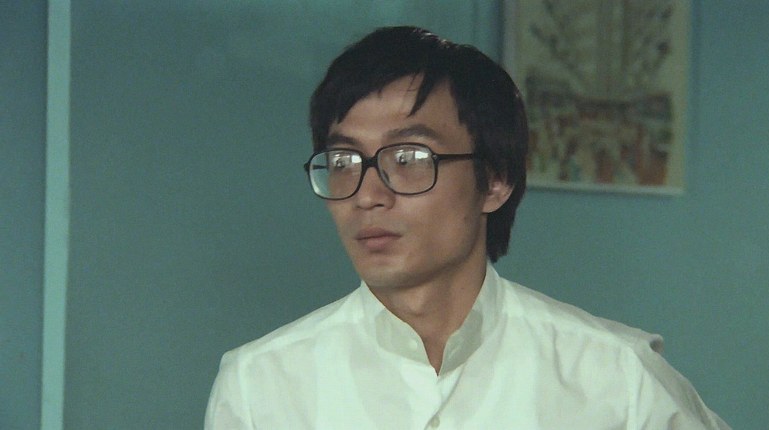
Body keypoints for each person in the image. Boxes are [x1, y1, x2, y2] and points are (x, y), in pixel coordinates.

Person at [205, 26, 730, 429]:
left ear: (495, 181)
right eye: (343, 162)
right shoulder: (259, 386)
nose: (367, 194)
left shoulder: (617, 377)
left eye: (408, 158)